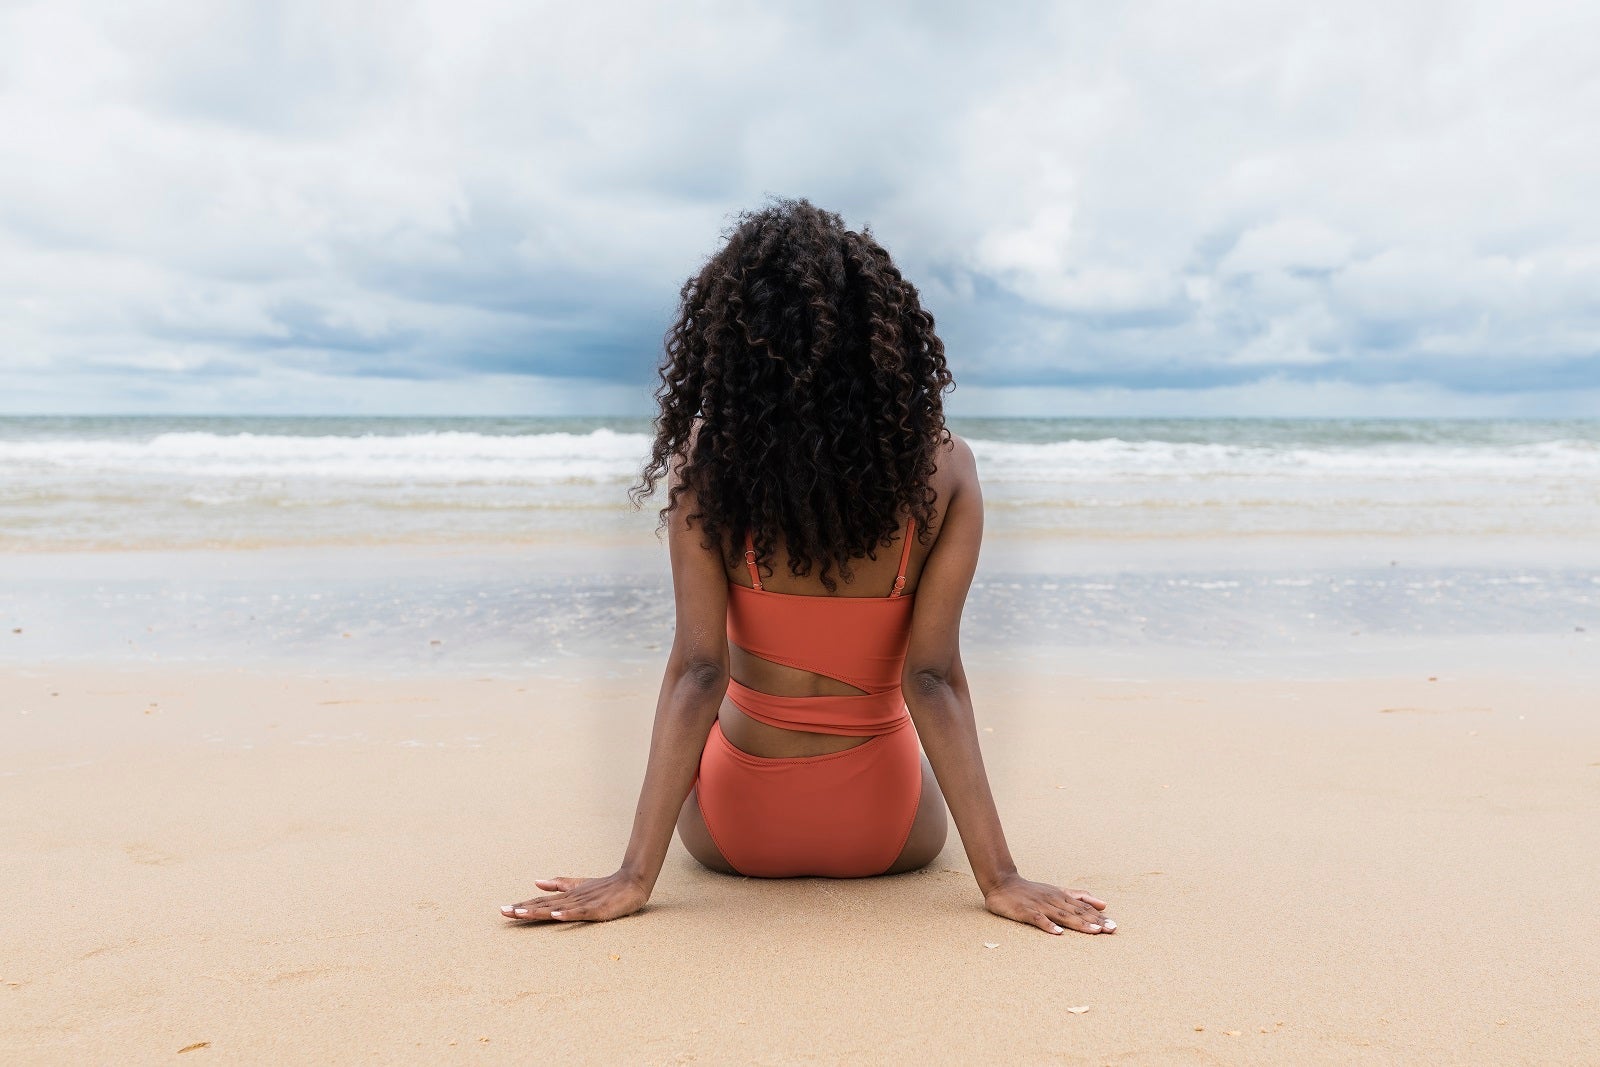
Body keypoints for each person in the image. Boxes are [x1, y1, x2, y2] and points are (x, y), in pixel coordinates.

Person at [500, 199, 1113, 936]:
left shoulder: (707, 466)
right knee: (902, 727)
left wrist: (634, 875)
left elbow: (699, 672)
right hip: (889, 834)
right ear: (882, 339)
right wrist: (1000, 877)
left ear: (736, 342)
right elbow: (933, 677)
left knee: (719, 706)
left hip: (734, 833)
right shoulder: (947, 471)